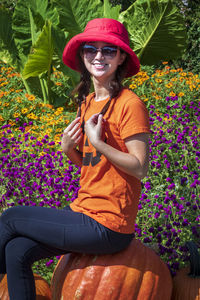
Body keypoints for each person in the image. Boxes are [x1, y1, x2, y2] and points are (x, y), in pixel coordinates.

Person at [0, 18, 150, 300]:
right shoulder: (88, 102)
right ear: (82, 57)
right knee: (17, 250)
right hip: (84, 212)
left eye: (108, 51)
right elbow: (94, 169)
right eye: (91, 49)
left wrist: (97, 143)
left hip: (109, 225)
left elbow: (140, 168)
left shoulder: (130, 105)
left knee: (10, 217)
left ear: (121, 58)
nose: (98, 56)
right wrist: (70, 148)